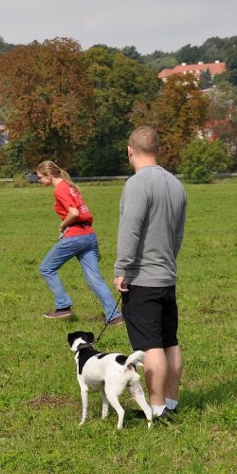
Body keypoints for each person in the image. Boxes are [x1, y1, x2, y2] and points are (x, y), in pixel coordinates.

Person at [113, 127, 186, 422]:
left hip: (142, 278)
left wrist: (122, 268)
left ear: (130, 151)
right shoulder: (176, 184)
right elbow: (177, 234)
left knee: (149, 346)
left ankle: (155, 409)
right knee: (170, 341)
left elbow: (130, 228)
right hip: (167, 276)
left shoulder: (136, 184)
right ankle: (171, 401)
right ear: (158, 150)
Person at [36, 160, 122, 324]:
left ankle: (63, 306)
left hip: (75, 237)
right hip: (89, 235)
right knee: (94, 279)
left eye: (40, 178)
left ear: (49, 175)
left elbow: (74, 213)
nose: (39, 181)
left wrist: (62, 225)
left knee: (46, 268)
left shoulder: (60, 189)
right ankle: (114, 315)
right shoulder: (71, 187)